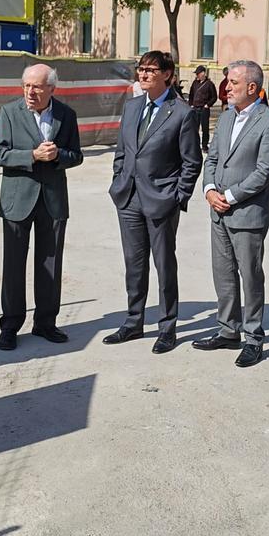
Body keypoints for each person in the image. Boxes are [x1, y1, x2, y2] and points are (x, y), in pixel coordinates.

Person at [105, 51, 202, 353]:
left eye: (150, 70)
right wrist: (119, 178)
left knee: (163, 265)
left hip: (161, 200)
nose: (143, 74)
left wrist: (177, 197)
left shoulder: (182, 113)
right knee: (134, 265)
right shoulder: (132, 106)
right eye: (141, 69)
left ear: (168, 75)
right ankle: (134, 321)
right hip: (129, 198)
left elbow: (191, 162)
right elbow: (122, 150)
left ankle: (167, 327)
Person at [193, 61, 269, 366]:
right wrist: (209, 190)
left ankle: (253, 336)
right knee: (223, 273)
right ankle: (228, 329)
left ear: (251, 87)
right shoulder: (226, 117)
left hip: (247, 212)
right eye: (227, 82)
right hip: (218, 210)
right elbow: (213, 158)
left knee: (250, 275)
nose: (227, 87)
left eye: (233, 82)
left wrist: (229, 197)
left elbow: (263, 172)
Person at [0, 63, 83, 351]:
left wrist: (58, 156)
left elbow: (76, 155)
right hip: (18, 200)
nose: (30, 92)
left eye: (37, 86)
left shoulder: (66, 115)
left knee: (50, 265)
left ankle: (45, 322)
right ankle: (10, 325)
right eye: (26, 86)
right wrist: (31, 155)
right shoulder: (9, 112)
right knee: (14, 266)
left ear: (51, 88)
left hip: (53, 201)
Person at [187, 65, 218, 152]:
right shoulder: (195, 83)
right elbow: (191, 95)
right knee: (194, 128)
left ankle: (204, 146)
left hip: (204, 109)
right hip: (195, 108)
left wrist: (208, 105)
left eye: (198, 73)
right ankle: (195, 144)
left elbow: (214, 97)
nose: (197, 75)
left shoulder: (209, 84)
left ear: (203, 73)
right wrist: (191, 104)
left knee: (205, 128)